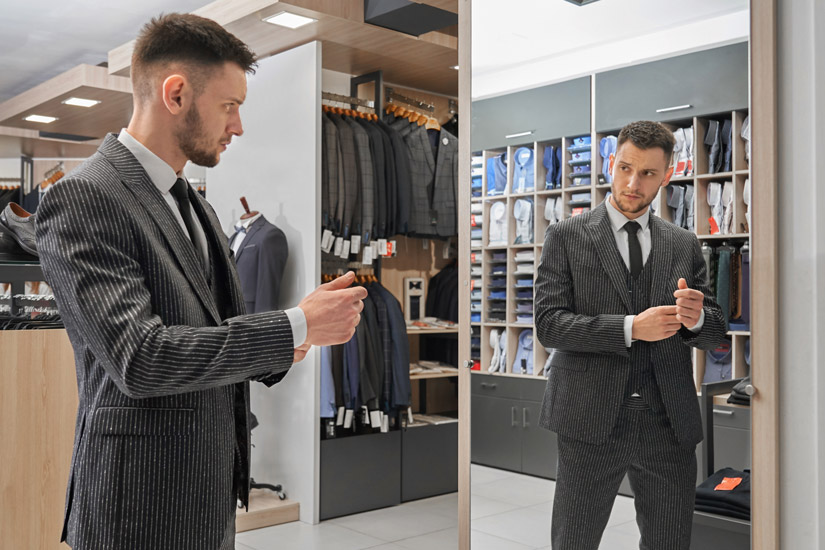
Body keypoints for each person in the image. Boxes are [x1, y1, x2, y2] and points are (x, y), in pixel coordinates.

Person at [35, 13, 367, 550]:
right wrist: (293, 323)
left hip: (208, 493)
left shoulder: (199, 208)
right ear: (176, 94)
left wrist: (293, 340)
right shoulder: (83, 197)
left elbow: (218, 328)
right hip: (136, 505)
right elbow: (140, 357)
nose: (238, 126)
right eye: (230, 106)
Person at [535, 120, 728, 549]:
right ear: (610, 162)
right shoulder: (565, 236)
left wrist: (696, 319)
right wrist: (629, 328)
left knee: (668, 542)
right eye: (624, 168)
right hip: (590, 418)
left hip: (668, 420)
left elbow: (714, 328)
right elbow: (549, 324)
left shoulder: (683, 243)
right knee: (575, 540)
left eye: (647, 174)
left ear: (667, 174)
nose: (632, 182)